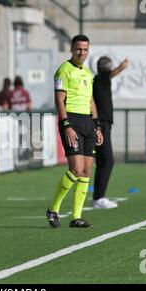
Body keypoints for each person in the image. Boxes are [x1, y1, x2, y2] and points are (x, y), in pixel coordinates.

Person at [46, 35, 103, 229]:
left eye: (85, 49)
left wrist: (97, 126)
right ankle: (53, 209)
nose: (82, 53)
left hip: (87, 122)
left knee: (87, 171)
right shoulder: (63, 70)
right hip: (71, 121)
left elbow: (90, 101)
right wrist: (67, 125)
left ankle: (76, 217)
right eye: (79, 49)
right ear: (71, 49)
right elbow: (59, 100)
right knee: (76, 169)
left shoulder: (87, 73)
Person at [92, 56, 129, 209]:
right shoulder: (102, 78)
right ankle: (99, 198)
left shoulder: (97, 80)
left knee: (102, 161)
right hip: (102, 124)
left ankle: (98, 197)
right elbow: (113, 73)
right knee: (107, 160)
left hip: (101, 124)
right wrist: (123, 66)